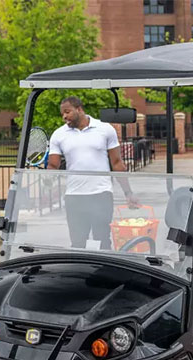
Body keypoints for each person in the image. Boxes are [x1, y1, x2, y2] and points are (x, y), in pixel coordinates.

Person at [47, 96, 131, 249]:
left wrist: (129, 193)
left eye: (67, 112)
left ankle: (103, 272)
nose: (64, 117)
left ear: (79, 109)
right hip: (74, 196)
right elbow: (53, 165)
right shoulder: (58, 135)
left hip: (101, 194)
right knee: (78, 243)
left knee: (102, 241)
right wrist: (47, 179)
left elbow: (117, 163)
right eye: (62, 114)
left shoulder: (105, 129)